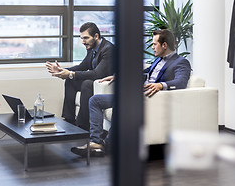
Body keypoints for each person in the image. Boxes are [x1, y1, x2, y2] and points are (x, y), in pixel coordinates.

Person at [71, 29, 192, 157]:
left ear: (164, 45)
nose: (152, 47)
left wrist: (161, 85)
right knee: (95, 100)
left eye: (154, 44)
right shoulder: (158, 60)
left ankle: (109, 145)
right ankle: (96, 142)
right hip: (135, 95)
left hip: (149, 99)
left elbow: (181, 82)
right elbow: (145, 72)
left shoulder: (181, 62)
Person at [46, 22, 114, 130]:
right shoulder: (92, 48)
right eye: (82, 38)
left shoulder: (108, 49)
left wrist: (71, 74)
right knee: (70, 81)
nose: (83, 42)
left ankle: (83, 126)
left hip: (105, 85)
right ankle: (69, 120)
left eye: (86, 38)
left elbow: (97, 73)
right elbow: (83, 66)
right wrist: (63, 71)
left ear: (96, 36)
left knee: (86, 84)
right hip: (95, 81)